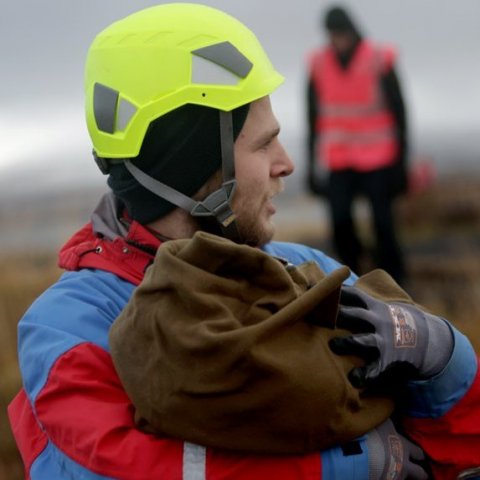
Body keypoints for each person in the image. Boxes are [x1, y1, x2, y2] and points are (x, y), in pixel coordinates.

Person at [7, 4, 480, 479]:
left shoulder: (301, 265)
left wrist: (441, 354)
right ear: (192, 167)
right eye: (262, 144)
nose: (286, 163)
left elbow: (458, 449)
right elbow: (116, 469)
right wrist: (338, 468)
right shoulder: (70, 327)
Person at [306, 5, 408, 284]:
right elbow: (311, 117)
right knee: (339, 223)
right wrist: (312, 167)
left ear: (352, 30)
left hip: (379, 158)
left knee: (383, 225)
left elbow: (400, 112)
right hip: (338, 160)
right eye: (332, 34)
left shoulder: (379, 58)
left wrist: (402, 164)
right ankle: (350, 279)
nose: (337, 39)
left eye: (341, 33)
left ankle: (394, 281)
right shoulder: (318, 63)